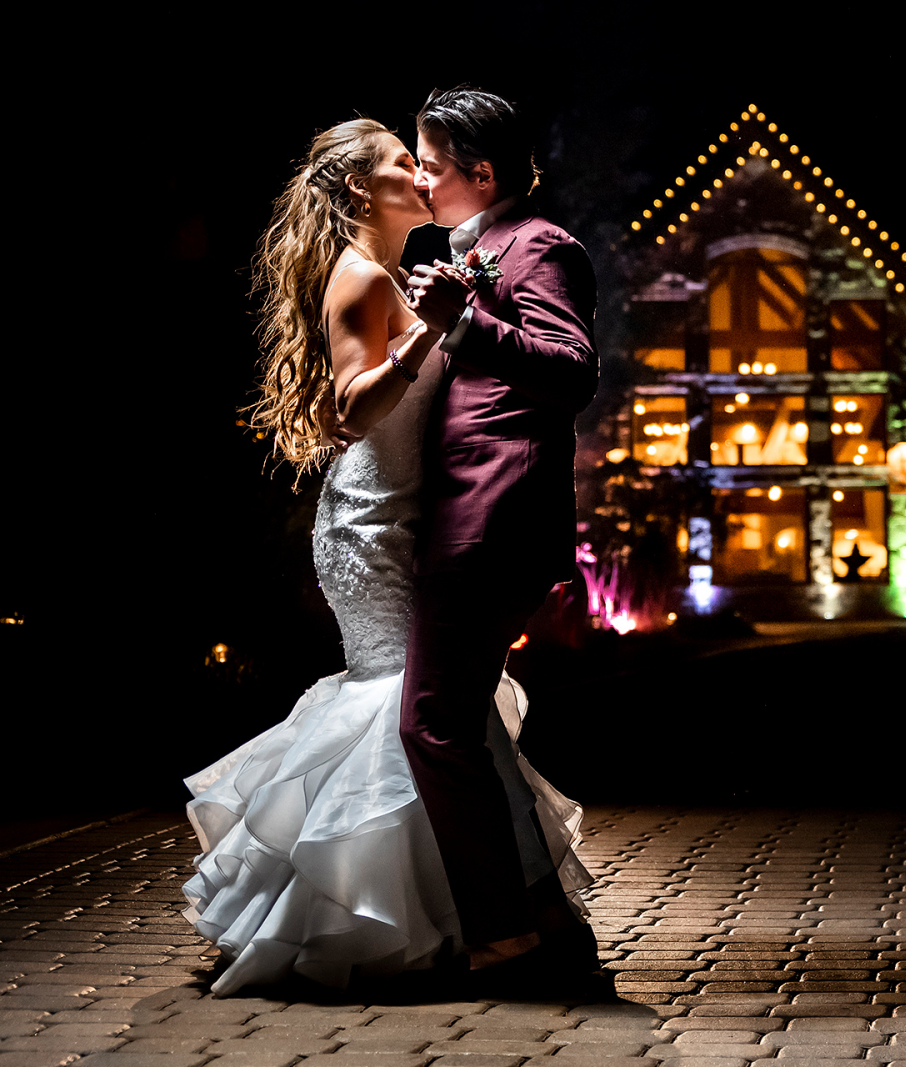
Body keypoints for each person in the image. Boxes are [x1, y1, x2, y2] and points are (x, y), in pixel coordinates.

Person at [181, 118, 592, 997]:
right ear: (363, 191)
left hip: (414, 517)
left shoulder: (401, 274)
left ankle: (490, 917)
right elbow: (356, 410)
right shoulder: (363, 278)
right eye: (405, 164)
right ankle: (465, 918)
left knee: (429, 713)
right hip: (375, 524)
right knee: (419, 710)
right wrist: (426, 335)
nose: (422, 173)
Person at [398, 87, 601, 984]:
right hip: (465, 512)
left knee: (433, 723)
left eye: (430, 164)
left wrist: (465, 322)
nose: (418, 178)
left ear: (481, 173)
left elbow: (572, 369)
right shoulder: (475, 250)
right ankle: (543, 922)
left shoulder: (539, 245)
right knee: (462, 722)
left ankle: (503, 935)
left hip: (492, 518)